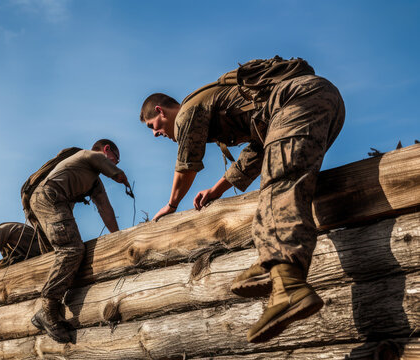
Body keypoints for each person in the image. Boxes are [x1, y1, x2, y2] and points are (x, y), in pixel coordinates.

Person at [139, 56, 344, 343]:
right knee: (286, 178)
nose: (157, 133)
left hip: (298, 99)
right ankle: (272, 265)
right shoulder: (221, 108)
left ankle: (288, 285)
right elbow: (258, 151)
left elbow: (187, 163)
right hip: (318, 100)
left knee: (279, 183)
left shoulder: (187, 112)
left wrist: (172, 204)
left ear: (160, 110)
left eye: (153, 125)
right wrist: (217, 190)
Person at [29, 139, 129, 343]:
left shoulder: (94, 181)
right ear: (107, 150)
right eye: (115, 159)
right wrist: (123, 179)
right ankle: (47, 309)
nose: (115, 164)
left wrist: (117, 237)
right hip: (49, 197)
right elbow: (117, 175)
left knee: (71, 249)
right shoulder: (89, 155)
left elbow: (106, 210)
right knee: (71, 250)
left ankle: (52, 307)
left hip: (53, 200)